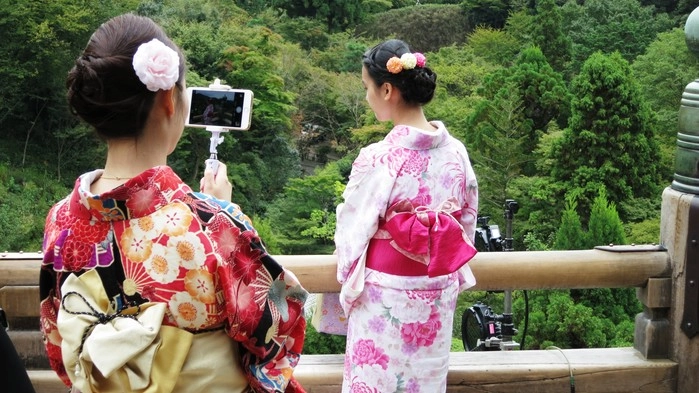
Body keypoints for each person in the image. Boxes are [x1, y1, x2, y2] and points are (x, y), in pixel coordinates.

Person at [39, 13, 307, 393]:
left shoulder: (61, 219)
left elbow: (58, 340)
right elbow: (282, 323)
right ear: (169, 98)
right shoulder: (214, 223)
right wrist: (222, 216)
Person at [334, 39, 479, 392]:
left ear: (387, 90)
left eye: (367, 88)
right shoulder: (456, 152)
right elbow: (467, 223)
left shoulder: (379, 157)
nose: (367, 96)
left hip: (385, 296)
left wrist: (346, 283)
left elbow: (351, 232)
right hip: (437, 289)